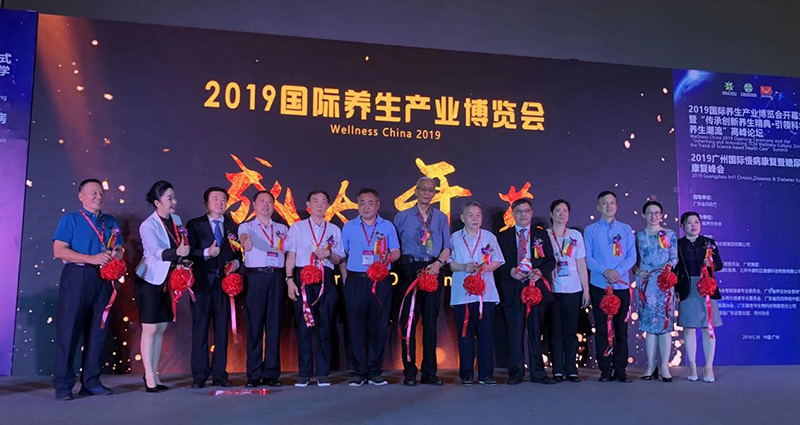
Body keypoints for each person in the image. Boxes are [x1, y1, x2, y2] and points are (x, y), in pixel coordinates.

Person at [52, 178, 125, 400]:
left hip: (103, 279)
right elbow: (59, 250)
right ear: (81, 196)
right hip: (78, 276)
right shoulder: (70, 219)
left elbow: (120, 248)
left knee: (98, 331)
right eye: (93, 192)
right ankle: (63, 385)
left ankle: (91, 382)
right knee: (69, 331)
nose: (98, 196)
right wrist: (92, 258)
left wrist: (115, 255)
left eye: (101, 192)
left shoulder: (110, 221)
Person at [393, 177, 452, 386]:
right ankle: (409, 372)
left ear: (434, 193)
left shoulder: (441, 218)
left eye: (431, 190)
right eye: (423, 189)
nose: (427, 193)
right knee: (408, 322)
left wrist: (438, 264)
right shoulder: (402, 217)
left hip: (433, 269)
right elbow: (395, 247)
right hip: (409, 270)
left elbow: (447, 247)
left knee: (430, 322)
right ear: (416, 191)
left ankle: (430, 373)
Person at [339, 188, 401, 386]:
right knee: (355, 327)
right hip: (356, 281)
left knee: (379, 326)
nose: (366, 207)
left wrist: (389, 257)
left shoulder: (387, 226)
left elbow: (396, 251)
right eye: (362, 203)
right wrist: (346, 279)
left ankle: (374, 371)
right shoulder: (349, 227)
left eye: (370, 203)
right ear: (357, 205)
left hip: (380, 281)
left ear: (378, 205)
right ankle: (358, 372)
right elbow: (342, 255)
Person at [285, 190, 344, 387]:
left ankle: (323, 373)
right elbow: (291, 256)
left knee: (325, 326)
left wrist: (328, 254)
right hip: (303, 278)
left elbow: (339, 258)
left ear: (328, 205)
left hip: (325, 277)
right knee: (304, 327)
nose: (319, 204)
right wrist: (289, 280)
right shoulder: (297, 227)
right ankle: (304, 373)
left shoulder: (334, 229)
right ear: (308, 205)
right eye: (315, 201)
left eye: (323, 201)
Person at [135, 181, 189, 392]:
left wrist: (183, 260)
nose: (174, 202)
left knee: (161, 327)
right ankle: (148, 375)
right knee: (150, 328)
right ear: (157, 203)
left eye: (175, 197)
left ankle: (155, 373)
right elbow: (155, 252)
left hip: (169, 279)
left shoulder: (176, 219)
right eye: (169, 198)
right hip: (150, 280)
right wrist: (177, 253)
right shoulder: (148, 225)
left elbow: (181, 244)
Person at [496, 198, 556, 385]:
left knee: (536, 332)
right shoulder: (503, 236)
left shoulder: (541, 234)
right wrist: (510, 271)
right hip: (513, 288)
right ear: (513, 214)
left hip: (535, 288)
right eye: (519, 211)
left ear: (532, 213)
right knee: (515, 333)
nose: (523, 214)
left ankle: (538, 373)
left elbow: (551, 260)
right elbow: (497, 262)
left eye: (526, 211)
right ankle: (516, 373)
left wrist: (539, 272)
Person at [186, 187, 241, 388]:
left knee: (222, 331)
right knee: (200, 329)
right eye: (215, 199)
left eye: (223, 199)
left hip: (225, 285)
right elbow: (187, 252)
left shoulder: (233, 225)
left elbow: (239, 253)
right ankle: (199, 375)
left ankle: (220, 374)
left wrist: (236, 263)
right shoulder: (195, 224)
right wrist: (206, 253)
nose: (220, 202)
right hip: (201, 284)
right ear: (206, 203)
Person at [449, 201, 504, 386]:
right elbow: (449, 263)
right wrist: (464, 267)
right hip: (462, 295)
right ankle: (466, 374)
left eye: (478, 215)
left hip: (486, 294)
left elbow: (498, 260)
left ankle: (486, 374)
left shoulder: (489, 237)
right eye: (470, 215)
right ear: (463, 218)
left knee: (486, 335)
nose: (475, 219)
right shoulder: (454, 238)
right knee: (465, 335)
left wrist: (484, 268)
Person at [238, 190, 289, 388]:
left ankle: (272, 374)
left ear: (274, 205)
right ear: (254, 204)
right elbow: (243, 236)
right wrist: (245, 242)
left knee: (274, 326)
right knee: (255, 326)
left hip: (276, 277)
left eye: (269, 202)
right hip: (256, 278)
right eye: (262, 201)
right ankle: (253, 375)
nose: (266, 205)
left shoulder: (282, 228)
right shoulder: (247, 226)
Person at [584, 191, 636, 383]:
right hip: (599, 284)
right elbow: (588, 257)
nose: (609, 206)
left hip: (621, 285)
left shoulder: (626, 229)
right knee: (602, 328)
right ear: (598, 207)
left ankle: (621, 369)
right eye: (604, 203)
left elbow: (632, 256)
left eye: (612, 203)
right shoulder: (590, 230)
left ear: (617, 206)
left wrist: (618, 272)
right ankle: (605, 369)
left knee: (621, 328)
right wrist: (605, 271)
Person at [546, 199, 590, 383]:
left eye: (565, 211)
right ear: (551, 214)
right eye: (558, 210)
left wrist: (586, 290)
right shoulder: (545, 235)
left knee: (571, 331)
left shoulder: (575, 236)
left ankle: (571, 369)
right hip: (552, 288)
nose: (562, 214)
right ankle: (557, 369)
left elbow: (581, 263)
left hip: (573, 288)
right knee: (555, 331)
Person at [676, 212, 723, 382]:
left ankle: (709, 368)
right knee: (689, 329)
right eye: (689, 223)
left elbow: (719, 265)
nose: (693, 225)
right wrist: (675, 289)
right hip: (687, 289)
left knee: (707, 328)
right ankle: (692, 366)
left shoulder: (708, 242)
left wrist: (711, 263)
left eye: (696, 222)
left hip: (706, 289)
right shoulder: (678, 244)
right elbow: (675, 269)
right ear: (682, 226)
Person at [634, 200, 678, 382]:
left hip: (664, 284)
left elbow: (674, 258)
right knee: (649, 326)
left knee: (665, 326)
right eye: (649, 213)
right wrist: (638, 271)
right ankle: (651, 366)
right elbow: (633, 261)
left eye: (656, 213)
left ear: (662, 215)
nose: (653, 216)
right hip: (646, 284)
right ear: (643, 215)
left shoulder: (670, 234)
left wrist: (667, 269)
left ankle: (665, 367)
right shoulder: (638, 236)